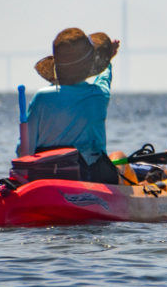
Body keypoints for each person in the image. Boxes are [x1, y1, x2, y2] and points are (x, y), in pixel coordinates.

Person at [20, 27, 127, 185]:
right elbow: (104, 81)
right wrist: (108, 59)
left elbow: (24, 152)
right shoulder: (97, 96)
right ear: (90, 65)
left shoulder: (40, 98)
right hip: (90, 179)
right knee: (119, 157)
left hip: (44, 179)